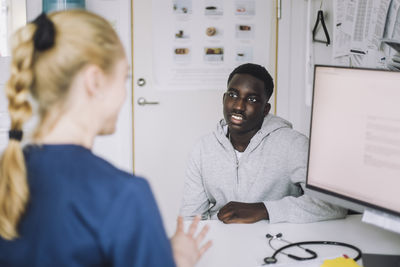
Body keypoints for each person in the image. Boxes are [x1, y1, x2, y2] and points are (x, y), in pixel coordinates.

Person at [0, 10, 211, 266]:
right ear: (95, 81)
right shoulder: (123, 195)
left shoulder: (9, 174)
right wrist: (179, 259)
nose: (124, 92)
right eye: (124, 77)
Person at [180, 63, 347, 224]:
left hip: (276, 243)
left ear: (265, 109)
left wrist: (264, 210)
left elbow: (334, 204)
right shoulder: (203, 149)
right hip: (223, 242)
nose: (239, 106)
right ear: (224, 99)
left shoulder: (293, 145)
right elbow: (191, 219)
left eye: (251, 99)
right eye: (233, 95)